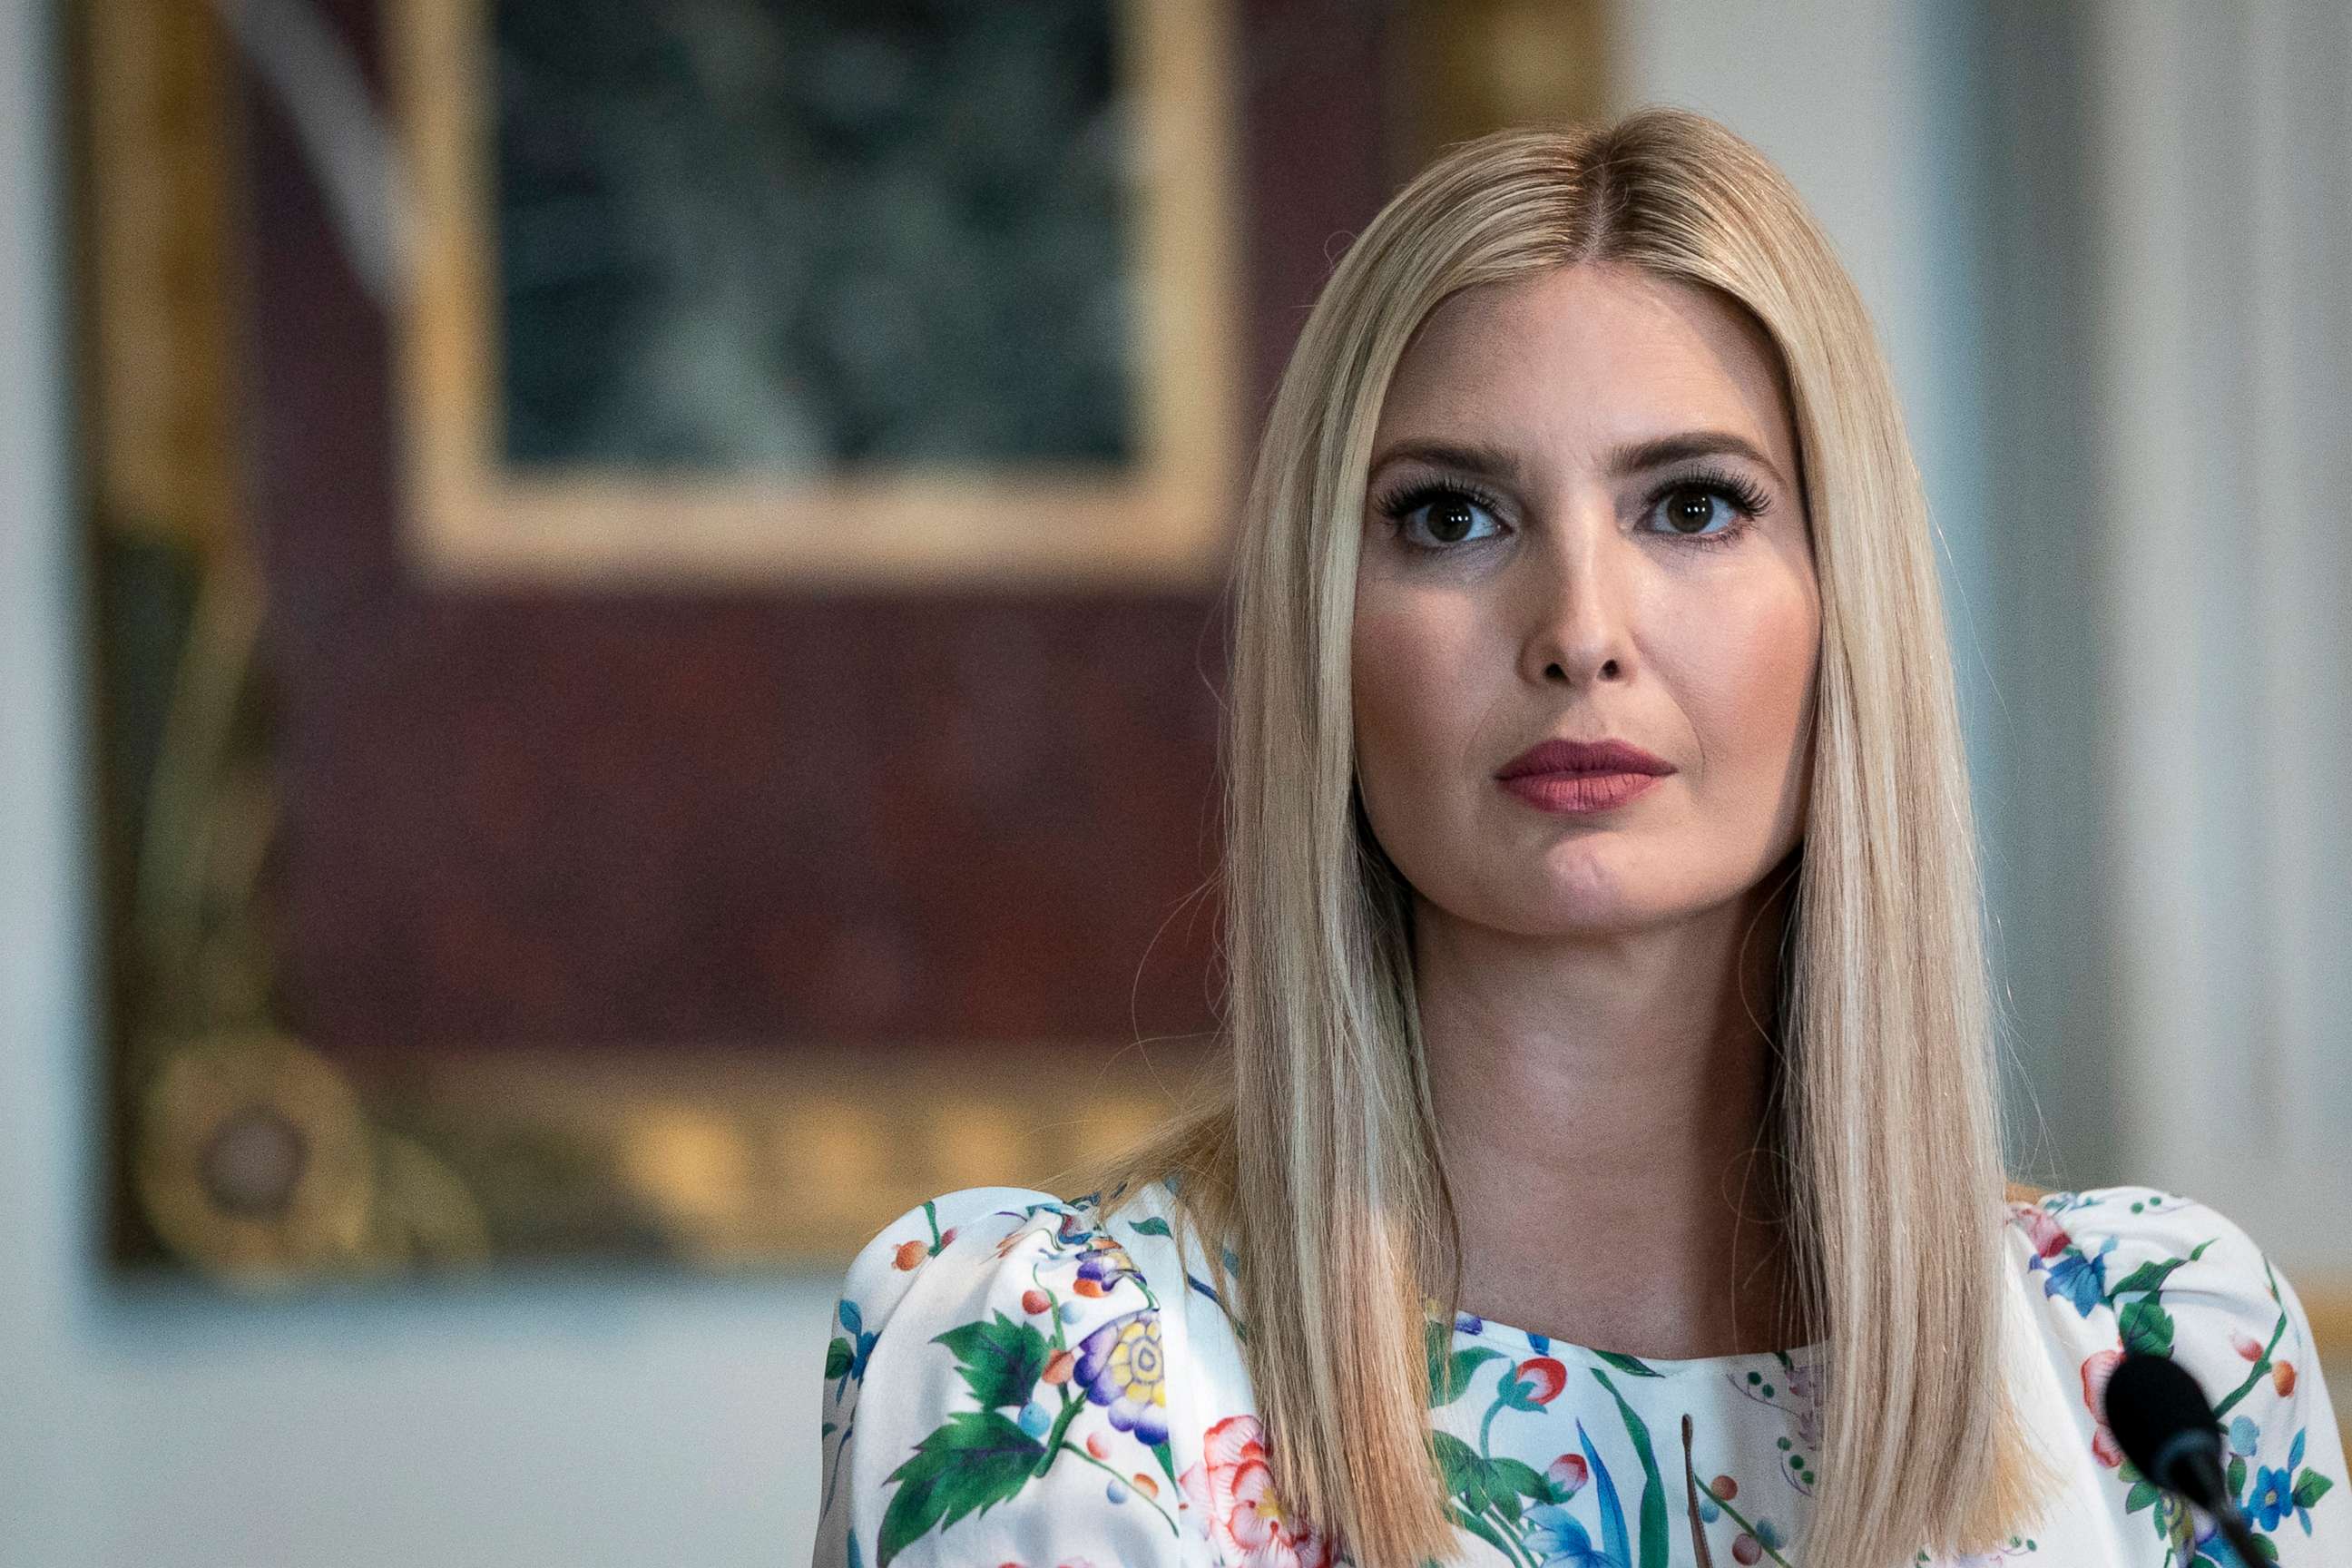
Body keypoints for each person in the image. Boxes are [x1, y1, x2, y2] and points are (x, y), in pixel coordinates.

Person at [808, 106, 2347, 1568]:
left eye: (1692, 506)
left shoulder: (2161, 1360)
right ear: (1321, 636)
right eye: (1453, 518)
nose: (1580, 633)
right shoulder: (1052, 1374)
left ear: (1847, 606)